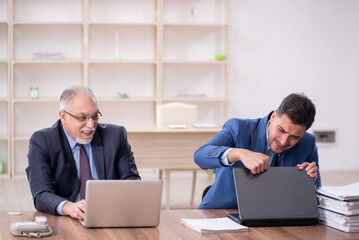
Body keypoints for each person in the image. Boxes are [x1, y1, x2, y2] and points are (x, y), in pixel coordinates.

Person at [26, 85, 141, 220]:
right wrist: (68, 207)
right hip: (66, 218)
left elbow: (132, 182)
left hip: (109, 216)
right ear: (63, 117)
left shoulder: (116, 136)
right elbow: (41, 193)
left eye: (95, 116)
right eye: (82, 118)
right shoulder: (42, 141)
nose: (91, 125)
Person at [194, 93, 321, 209]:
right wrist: (239, 153)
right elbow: (200, 156)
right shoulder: (238, 128)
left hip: (276, 219)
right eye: (281, 130)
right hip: (224, 213)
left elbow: (318, 198)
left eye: (294, 137)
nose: (283, 141)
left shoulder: (307, 143)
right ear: (273, 116)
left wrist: (308, 185)